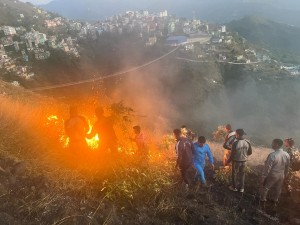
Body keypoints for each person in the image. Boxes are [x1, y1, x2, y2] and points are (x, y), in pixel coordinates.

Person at [259, 139, 290, 212]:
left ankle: (262, 201)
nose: (272, 144)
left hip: (273, 174)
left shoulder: (273, 155)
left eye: (273, 143)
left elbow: (267, 168)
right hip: (281, 174)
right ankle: (274, 202)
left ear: (277, 145)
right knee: (278, 189)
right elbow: (287, 166)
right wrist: (285, 175)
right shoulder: (286, 154)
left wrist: (263, 178)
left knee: (265, 188)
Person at [226, 129, 252, 193]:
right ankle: (242, 188)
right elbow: (250, 152)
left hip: (236, 161)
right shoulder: (247, 142)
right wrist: (244, 154)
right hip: (244, 162)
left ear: (237, 134)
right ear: (243, 134)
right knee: (242, 174)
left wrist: (227, 161)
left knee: (234, 174)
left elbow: (232, 155)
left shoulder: (235, 143)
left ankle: (234, 187)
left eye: (235, 134)